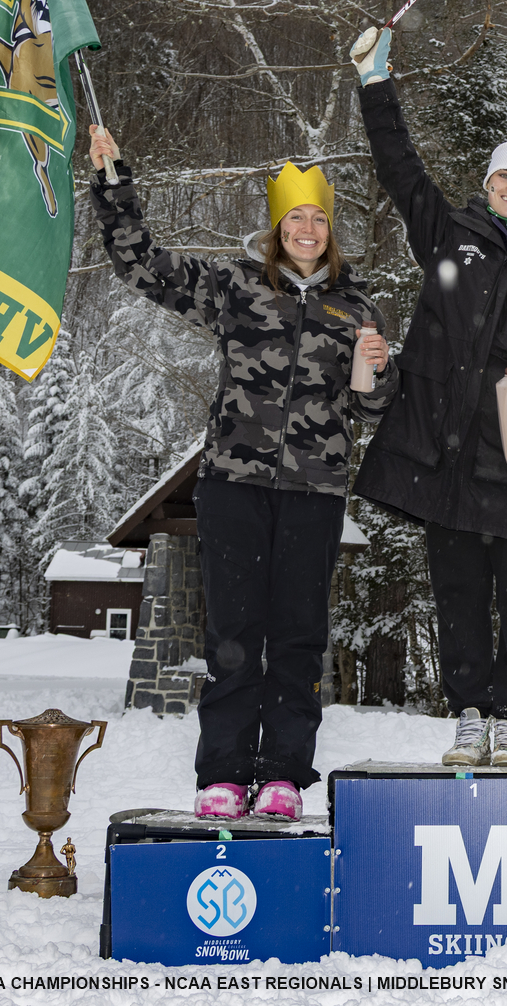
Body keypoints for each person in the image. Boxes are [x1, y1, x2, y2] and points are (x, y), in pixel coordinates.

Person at [88, 125, 395, 820]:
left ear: (331, 230)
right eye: (296, 219)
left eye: (318, 219)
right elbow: (144, 268)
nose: (308, 229)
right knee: (232, 636)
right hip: (233, 484)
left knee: (298, 637)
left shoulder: (357, 306)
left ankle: (284, 774)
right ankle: (223, 775)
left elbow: (374, 405)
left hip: (316, 491)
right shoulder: (234, 287)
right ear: (277, 228)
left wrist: (378, 373)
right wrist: (114, 187)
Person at [347, 26, 507, 767]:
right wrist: (375, 84)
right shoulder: (450, 234)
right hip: (448, 448)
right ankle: (467, 713)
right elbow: (400, 170)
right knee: (457, 590)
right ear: (489, 183)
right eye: (503, 178)